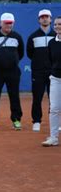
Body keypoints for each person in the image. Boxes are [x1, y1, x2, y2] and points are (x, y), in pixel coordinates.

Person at [0, 13, 24, 131]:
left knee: (14, 96)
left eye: (10, 23)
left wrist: (12, 62)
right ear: (0, 23)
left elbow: (21, 53)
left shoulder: (17, 37)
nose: (8, 25)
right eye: (6, 23)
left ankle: (16, 119)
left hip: (13, 71)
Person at [26, 9, 55, 132]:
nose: (44, 19)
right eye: (42, 17)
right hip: (37, 72)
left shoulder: (56, 36)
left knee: (54, 98)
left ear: (50, 19)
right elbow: (29, 53)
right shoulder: (33, 36)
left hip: (54, 72)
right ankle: (36, 121)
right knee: (37, 97)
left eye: (46, 17)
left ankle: (54, 122)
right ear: (39, 20)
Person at [42, 16, 61, 146]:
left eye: (60, 24)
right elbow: (50, 60)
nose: (57, 27)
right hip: (55, 78)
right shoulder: (51, 43)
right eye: (55, 24)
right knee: (54, 108)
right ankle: (53, 137)